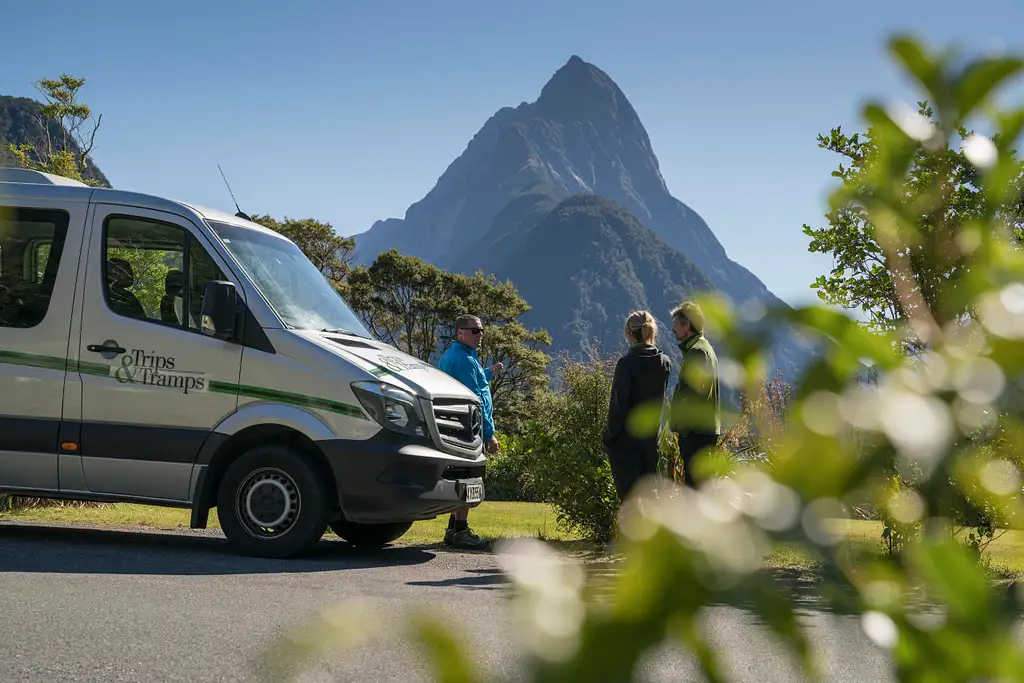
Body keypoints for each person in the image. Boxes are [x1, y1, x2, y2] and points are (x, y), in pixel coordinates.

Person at [436, 313, 503, 550]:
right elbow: (475, 401)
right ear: (460, 332)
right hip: (468, 428)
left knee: (461, 476)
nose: (480, 335)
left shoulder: (461, 356)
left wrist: (488, 372)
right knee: (468, 478)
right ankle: (461, 532)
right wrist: (489, 434)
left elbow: (473, 382)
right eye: (475, 331)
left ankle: (453, 530)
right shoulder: (464, 359)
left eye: (481, 330)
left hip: (457, 427)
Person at [602, 310, 673, 502]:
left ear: (629, 333)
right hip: (651, 441)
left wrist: (610, 436)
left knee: (630, 502)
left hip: (626, 442)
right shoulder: (664, 363)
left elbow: (618, 405)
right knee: (650, 500)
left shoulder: (626, 364)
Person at [669, 301, 721, 488]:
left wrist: (682, 429)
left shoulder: (697, 352)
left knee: (696, 490)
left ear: (686, 325)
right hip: (702, 432)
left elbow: (694, 395)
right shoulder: (702, 348)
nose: (672, 330)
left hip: (696, 434)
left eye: (675, 325)